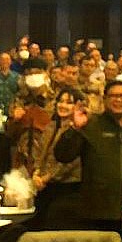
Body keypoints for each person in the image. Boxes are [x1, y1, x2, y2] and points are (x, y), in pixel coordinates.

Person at [55, 80, 122, 234]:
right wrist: (75, 129)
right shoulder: (90, 124)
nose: (118, 100)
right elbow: (62, 156)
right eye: (113, 96)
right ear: (104, 99)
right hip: (97, 212)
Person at [31, 88, 84, 228]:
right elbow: (40, 152)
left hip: (67, 188)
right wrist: (36, 173)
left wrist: (47, 178)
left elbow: (69, 162)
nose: (63, 105)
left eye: (69, 102)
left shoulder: (78, 130)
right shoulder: (51, 125)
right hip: (43, 185)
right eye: (61, 101)